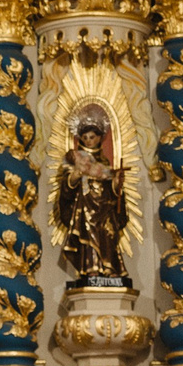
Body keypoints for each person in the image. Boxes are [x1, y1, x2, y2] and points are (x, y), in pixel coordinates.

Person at [53, 117, 130, 282]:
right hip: (86, 206)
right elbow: (67, 189)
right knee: (88, 234)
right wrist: (76, 174)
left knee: (108, 233)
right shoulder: (74, 159)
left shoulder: (105, 163)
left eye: (92, 137)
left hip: (105, 207)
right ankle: (91, 268)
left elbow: (114, 191)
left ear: (100, 138)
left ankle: (110, 268)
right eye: (85, 137)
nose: (89, 141)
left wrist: (116, 184)